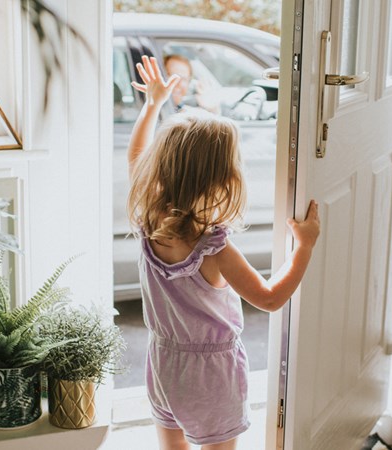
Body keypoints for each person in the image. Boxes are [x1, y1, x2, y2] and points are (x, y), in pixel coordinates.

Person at [127, 55, 320, 450]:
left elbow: (135, 158)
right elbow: (269, 298)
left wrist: (152, 107)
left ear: (159, 168)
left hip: (163, 363)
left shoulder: (150, 220)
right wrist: (305, 246)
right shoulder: (212, 247)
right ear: (223, 178)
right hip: (211, 375)